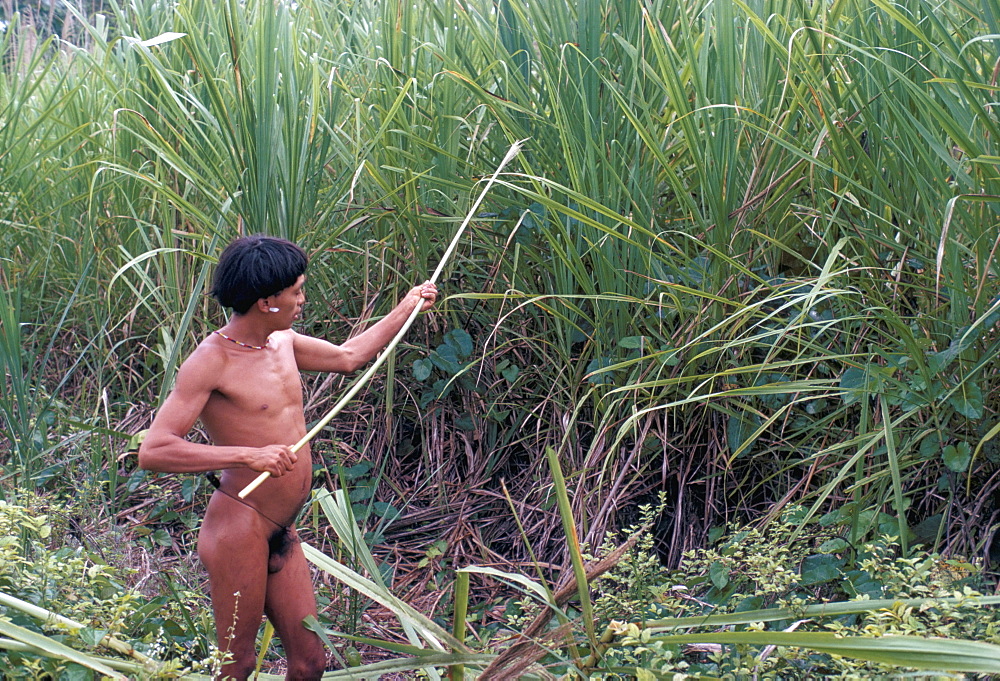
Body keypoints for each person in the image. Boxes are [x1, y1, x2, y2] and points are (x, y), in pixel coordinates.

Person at [138, 234, 437, 680]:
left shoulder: (283, 341)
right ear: (265, 301)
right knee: (236, 665)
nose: (302, 299)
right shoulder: (211, 361)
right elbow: (153, 450)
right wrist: (249, 455)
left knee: (310, 662)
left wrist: (408, 306)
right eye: (296, 291)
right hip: (239, 528)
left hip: (282, 527)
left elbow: (349, 357)